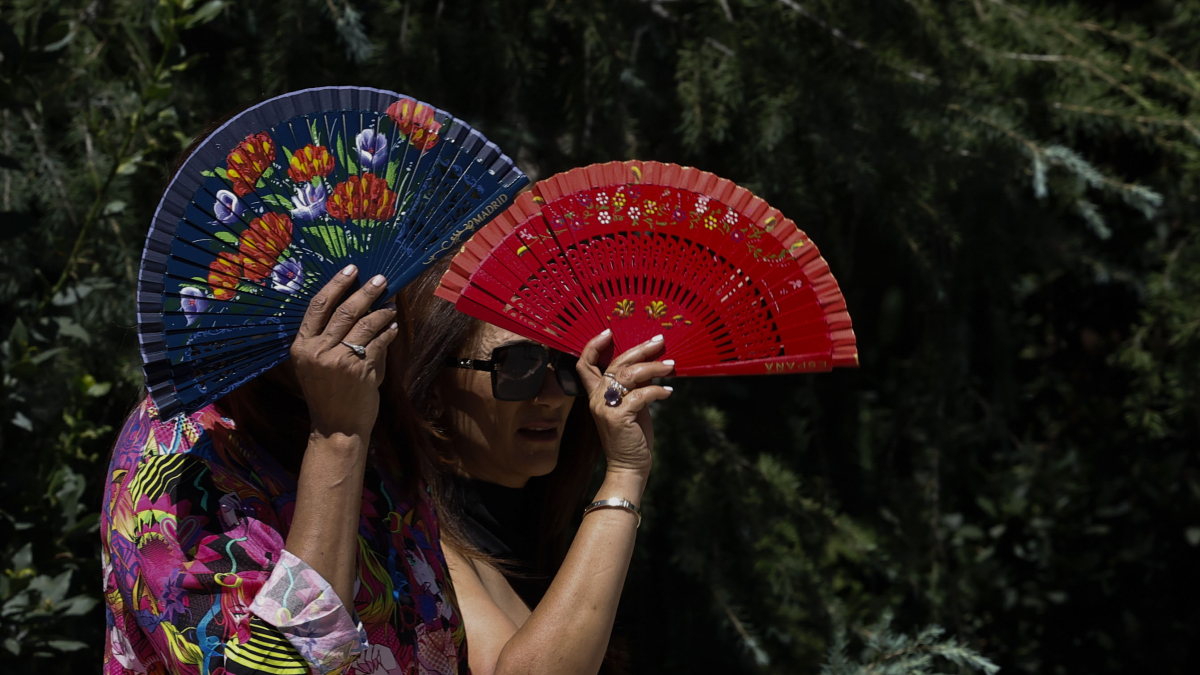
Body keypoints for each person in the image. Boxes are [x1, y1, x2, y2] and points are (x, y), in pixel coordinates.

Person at [102, 268, 468, 675]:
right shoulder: (179, 453)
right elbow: (258, 666)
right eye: (339, 295)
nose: (365, 314)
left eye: (379, 289)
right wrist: (337, 439)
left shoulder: (370, 418)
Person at [402, 262, 675, 675]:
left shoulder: (548, 542)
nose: (552, 396)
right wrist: (624, 475)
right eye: (517, 367)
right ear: (434, 389)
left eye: (566, 363)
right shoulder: (420, 543)